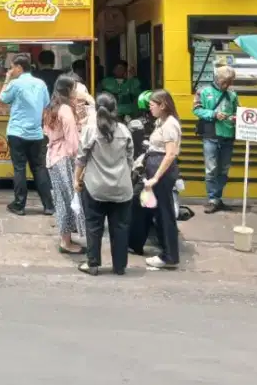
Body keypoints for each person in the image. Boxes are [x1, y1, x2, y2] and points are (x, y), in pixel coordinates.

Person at [74, 92, 134, 276]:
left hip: (95, 187)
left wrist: (77, 180)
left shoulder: (91, 130)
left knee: (93, 226)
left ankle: (92, 264)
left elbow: (81, 159)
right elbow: (130, 160)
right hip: (122, 188)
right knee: (120, 227)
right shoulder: (124, 131)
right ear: (114, 109)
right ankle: (120, 266)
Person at [0, 53, 54, 216]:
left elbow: (2, 98)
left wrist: (6, 79)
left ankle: (19, 205)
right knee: (39, 168)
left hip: (17, 132)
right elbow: (46, 106)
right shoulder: (41, 84)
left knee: (19, 168)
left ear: (19, 67)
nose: (10, 70)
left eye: (12, 68)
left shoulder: (15, 84)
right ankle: (48, 205)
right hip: (36, 134)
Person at [43, 74, 84, 254]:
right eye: (74, 88)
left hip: (53, 156)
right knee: (70, 199)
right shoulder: (66, 109)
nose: (76, 91)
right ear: (68, 90)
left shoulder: (51, 107)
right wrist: (80, 159)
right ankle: (66, 242)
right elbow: (73, 141)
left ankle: (65, 239)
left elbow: (47, 131)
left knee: (61, 199)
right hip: (65, 157)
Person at [142, 89, 181, 270]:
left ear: (162, 105)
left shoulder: (170, 125)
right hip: (155, 168)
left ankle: (169, 256)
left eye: (152, 105)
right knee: (158, 212)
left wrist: (156, 177)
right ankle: (165, 251)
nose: (150, 108)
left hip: (162, 173)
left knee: (165, 214)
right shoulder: (161, 122)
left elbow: (170, 154)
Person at [194, 66, 239, 214]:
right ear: (218, 79)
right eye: (225, 81)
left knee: (224, 170)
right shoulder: (203, 91)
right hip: (211, 135)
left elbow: (238, 112)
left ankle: (218, 198)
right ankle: (213, 199)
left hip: (228, 135)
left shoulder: (232, 95)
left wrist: (235, 118)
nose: (228, 85)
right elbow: (196, 109)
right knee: (211, 169)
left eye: (230, 82)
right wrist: (213, 114)